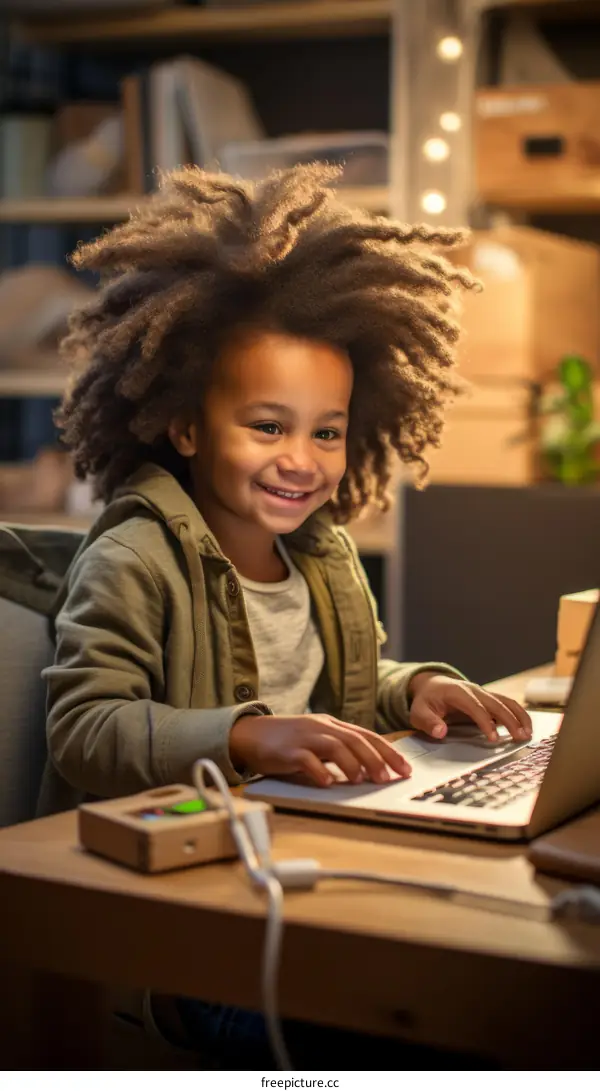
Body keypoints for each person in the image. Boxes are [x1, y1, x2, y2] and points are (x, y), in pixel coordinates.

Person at [45, 164, 531, 1068]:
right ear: (187, 426)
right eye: (267, 426)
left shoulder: (323, 552)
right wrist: (246, 737)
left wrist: (415, 689)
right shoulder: (134, 555)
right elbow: (84, 725)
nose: (302, 461)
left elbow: (334, 692)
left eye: (327, 430)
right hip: (184, 939)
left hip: (299, 876)